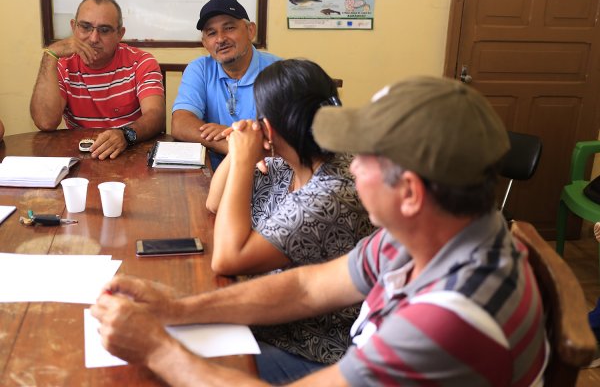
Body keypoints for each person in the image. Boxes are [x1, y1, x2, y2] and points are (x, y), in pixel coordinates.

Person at [91, 76, 548, 386]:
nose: (348, 166)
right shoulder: (434, 231)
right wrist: (177, 310)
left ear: (409, 192)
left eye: (362, 155)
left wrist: (157, 348)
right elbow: (309, 288)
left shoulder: (447, 319)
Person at [206, 59, 374, 378]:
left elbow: (227, 259)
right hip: (272, 323)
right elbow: (215, 203)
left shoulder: (332, 192)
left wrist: (242, 160)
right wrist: (239, 151)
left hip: (312, 351)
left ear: (268, 129)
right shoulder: (295, 161)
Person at [30, 0, 165, 160]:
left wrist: (125, 135)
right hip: (81, 157)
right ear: (73, 27)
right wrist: (49, 56)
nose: (93, 39)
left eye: (104, 30)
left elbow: (156, 115)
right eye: (85, 27)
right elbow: (45, 122)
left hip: (131, 153)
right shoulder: (62, 65)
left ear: (120, 34)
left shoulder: (141, 62)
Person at [171, 0, 280, 169]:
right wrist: (231, 143)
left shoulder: (278, 71)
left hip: (268, 171)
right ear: (205, 43)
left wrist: (229, 138)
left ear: (250, 30)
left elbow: (288, 135)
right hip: (214, 173)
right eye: (211, 33)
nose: (220, 39)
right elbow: (181, 124)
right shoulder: (200, 69)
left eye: (229, 28)